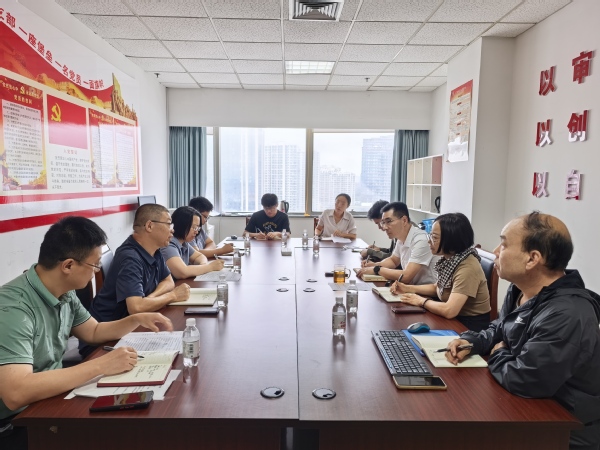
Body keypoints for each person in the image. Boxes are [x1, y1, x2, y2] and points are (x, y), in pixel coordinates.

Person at [0, 217, 173, 449]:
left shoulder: (64, 291)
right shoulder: (13, 309)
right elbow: (16, 393)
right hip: (17, 424)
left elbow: (93, 331)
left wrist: (136, 319)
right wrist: (101, 365)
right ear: (68, 266)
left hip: (51, 400)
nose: (96, 272)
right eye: (95, 265)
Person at [445, 212, 600, 450]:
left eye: (504, 244)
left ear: (532, 259)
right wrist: (473, 341)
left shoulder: (567, 313)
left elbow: (526, 379)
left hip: (563, 428)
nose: (496, 251)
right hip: (527, 408)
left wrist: (498, 353)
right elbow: (499, 329)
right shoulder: (521, 290)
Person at [389, 213, 491, 331]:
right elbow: (437, 288)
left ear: (451, 240)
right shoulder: (451, 259)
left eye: (435, 238)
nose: (429, 241)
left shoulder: (468, 267)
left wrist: (421, 301)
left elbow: (449, 310)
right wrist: (407, 288)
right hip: (454, 319)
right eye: (430, 235)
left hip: (468, 326)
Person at [90, 204, 190, 323]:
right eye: (168, 224)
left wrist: (150, 299)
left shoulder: (155, 249)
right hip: (110, 326)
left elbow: (168, 281)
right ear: (149, 226)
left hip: (134, 322)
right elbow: (136, 308)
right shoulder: (130, 257)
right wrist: (173, 296)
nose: (172, 229)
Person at [357, 202, 437, 284]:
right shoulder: (401, 237)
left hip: (427, 290)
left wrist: (377, 269)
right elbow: (393, 261)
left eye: (389, 221)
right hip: (412, 287)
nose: (384, 227)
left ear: (404, 220)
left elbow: (406, 276)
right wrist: (375, 265)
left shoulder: (421, 240)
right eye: (383, 222)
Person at [160, 206, 224, 279]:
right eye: (194, 227)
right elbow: (182, 272)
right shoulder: (169, 244)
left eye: (197, 228)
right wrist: (210, 267)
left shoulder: (184, 243)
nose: (196, 232)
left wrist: (203, 265)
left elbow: (199, 256)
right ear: (181, 225)